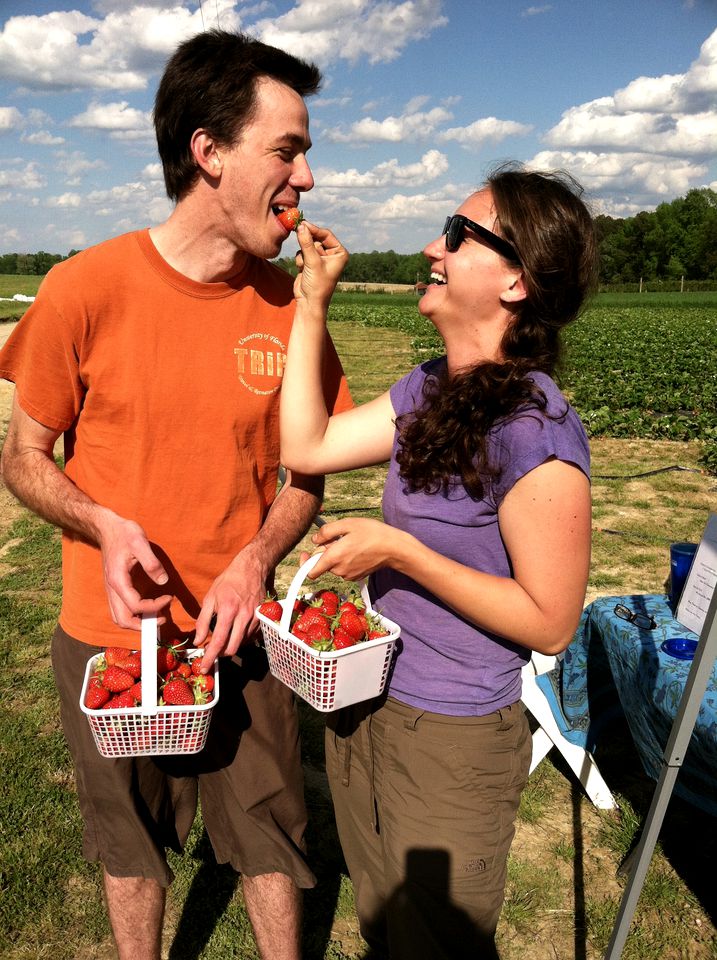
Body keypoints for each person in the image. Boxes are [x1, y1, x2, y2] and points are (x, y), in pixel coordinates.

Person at [0, 29, 352, 960]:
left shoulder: (289, 306)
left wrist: (254, 560)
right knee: (132, 847)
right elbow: (25, 457)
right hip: (114, 637)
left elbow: (306, 472)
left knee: (271, 833)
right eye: (287, 148)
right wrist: (102, 522)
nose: (307, 177)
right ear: (208, 151)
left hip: (245, 634)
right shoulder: (83, 288)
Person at [280, 164, 598, 959]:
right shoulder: (426, 389)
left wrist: (400, 551)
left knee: (436, 946)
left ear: (516, 280)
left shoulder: (534, 433)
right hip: (364, 700)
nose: (434, 245)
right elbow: (306, 446)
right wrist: (309, 305)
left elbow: (551, 623)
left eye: (457, 235)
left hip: (452, 733)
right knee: (386, 925)